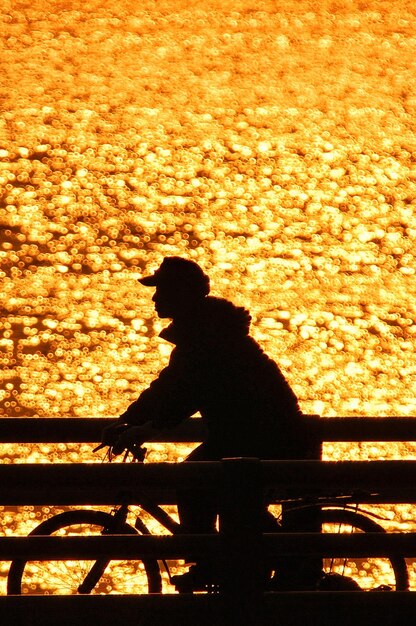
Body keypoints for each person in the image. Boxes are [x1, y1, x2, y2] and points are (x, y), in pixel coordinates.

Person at [103, 256, 313, 589]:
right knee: (217, 491)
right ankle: (229, 561)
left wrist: (143, 426)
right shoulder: (207, 331)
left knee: (194, 481)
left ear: (180, 294)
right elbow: (171, 386)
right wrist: (130, 419)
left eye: (161, 291)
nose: (154, 299)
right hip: (252, 433)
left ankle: (214, 562)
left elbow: (184, 392)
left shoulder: (205, 339)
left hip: (263, 435)